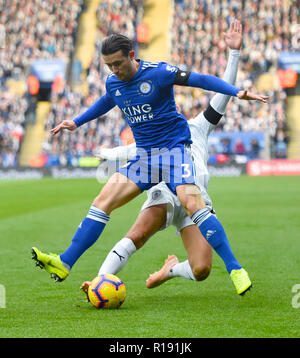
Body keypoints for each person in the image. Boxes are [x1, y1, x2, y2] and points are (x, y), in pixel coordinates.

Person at [31, 21, 268, 288]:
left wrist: (235, 92)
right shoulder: (113, 82)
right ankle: (65, 262)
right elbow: (107, 101)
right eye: (109, 65)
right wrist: (76, 122)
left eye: (118, 63)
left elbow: (200, 79)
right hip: (145, 156)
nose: (114, 70)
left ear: (132, 55)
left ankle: (235, 269)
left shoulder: (160, 73)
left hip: (174, 153)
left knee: (192, 201)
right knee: (102, 200)